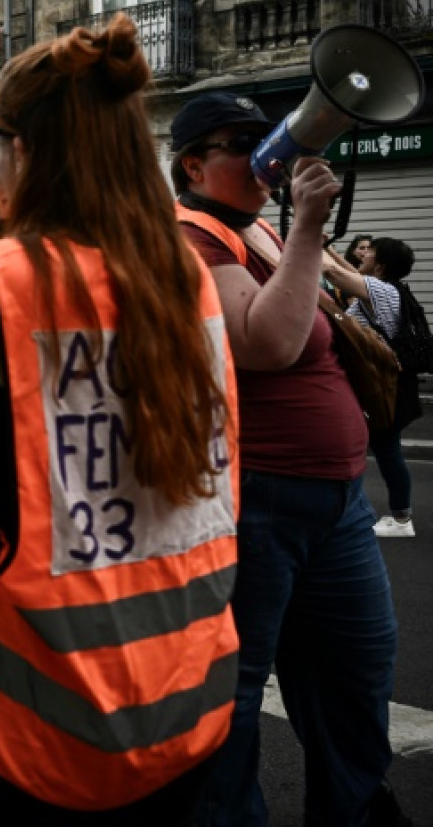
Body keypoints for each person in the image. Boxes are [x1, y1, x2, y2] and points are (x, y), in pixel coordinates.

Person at [0, 15, 239, 823]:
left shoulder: (10, 277)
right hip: (184, 692)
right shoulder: (184, 273)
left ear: (26, 152)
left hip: (32, 725)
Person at [171, 92, 405, 825]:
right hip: (254, 500)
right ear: (193, 165)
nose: (263, 151)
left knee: (354, 666)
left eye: (265, 134)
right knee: (233, 692)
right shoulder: (188, 238)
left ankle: (354, 806)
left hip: (334, 501)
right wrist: (306, 224)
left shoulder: (255, 233)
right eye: (242, 142)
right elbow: (265, 343)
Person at [324, 236, 421, 538]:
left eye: (369, 253)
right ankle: (383, 513)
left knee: (385, 450)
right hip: (379, 384)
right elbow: (344, 269)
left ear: (379, 266)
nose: (362, 255)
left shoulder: (380, 290)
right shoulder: (388, 288)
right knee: (372, 447)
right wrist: (326, 248)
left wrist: (306, 235)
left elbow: (335, 274)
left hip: (379, 387)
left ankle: (401, 519)